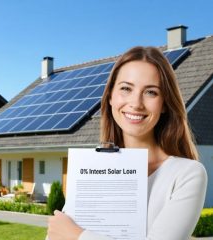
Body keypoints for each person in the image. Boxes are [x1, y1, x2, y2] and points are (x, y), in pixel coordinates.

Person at [47, 46, 208, 240]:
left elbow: (67, 234)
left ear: (165, 103)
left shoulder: (186, 174)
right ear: (110, 98)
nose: (136, 103)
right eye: (125, 88)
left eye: (151, 92)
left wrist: (77, 235)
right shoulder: (90, 168)